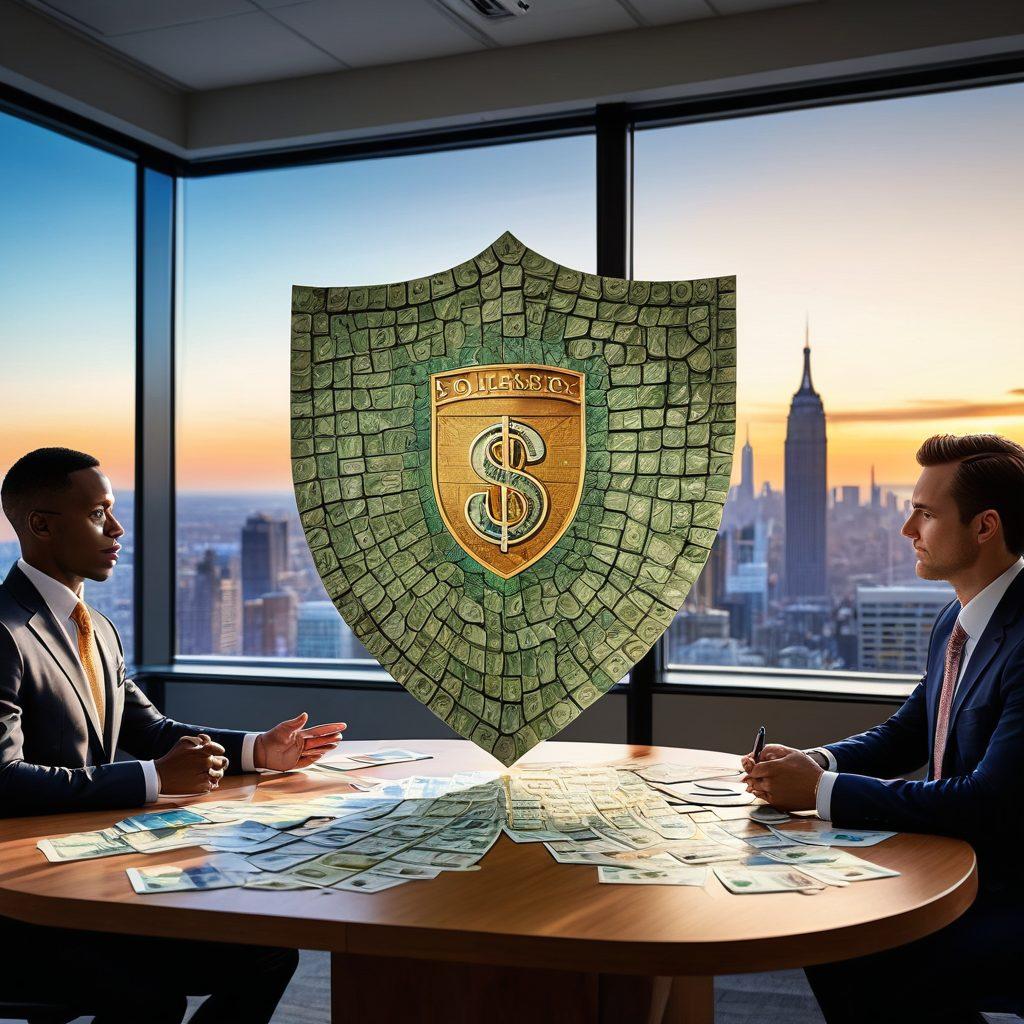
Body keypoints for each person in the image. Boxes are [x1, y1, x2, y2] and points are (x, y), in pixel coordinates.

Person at [0, 447, 349, 1023]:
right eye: (98, 515)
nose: (117, 530)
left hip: (88, 883)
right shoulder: (3, 632)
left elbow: (153, 729)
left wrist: (257, 749)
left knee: (268, 955)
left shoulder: (98, 629)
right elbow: (2, 779)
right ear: (40, 525)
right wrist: (152, 779)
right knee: (149, 1001)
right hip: (25, 908)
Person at [740, 433, 1024, 1024]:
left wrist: (818, 794)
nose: (907, 530)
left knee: (852, 945)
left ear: (985, 526)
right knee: (827, 924)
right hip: (956, 864)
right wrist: (816, 762)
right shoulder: (958, 616)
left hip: (1006, 894)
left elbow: (989, 802)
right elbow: (909, 730)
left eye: (925, 513)